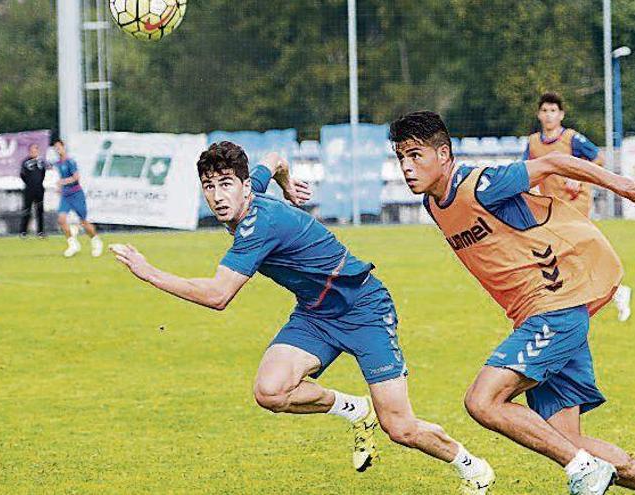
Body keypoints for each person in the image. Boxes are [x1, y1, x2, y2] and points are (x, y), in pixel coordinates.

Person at [110, 142, 495, 494]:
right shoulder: (254, 189)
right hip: (315, 313)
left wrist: (150, 272)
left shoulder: (259, 225)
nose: (218, 196)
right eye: (209, 186)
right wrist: (288, 184)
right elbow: (274, 157)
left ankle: (472, 466)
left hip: (364, 309)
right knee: (271, 391)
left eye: (226, 184)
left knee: (401, 427)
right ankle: (354, 409)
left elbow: (218, 295)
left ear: (244, 187)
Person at [391, 111, 635, 495]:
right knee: (565, 439)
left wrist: (626, 187)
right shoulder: (433, 205)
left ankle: (583, 468)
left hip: (554, 312)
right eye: (400, 157)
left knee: (482, 401)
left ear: (443, 154)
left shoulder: (482, 184)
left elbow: (554, 162)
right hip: (539, 318)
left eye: (415, 155)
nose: (406, 167)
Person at [523, 92, 632, 321]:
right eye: (545, 110)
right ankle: (611, 292)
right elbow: (526, 169)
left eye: (553, 110)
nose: (549, 115)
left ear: (561, 115)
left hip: (575, 202)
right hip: (551, 206)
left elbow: (598, 158)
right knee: (569, 255)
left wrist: (579, 176)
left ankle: (602, 293)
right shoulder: (533, 142)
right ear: (539, 114)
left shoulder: (571, 138)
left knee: (568, 251)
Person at [53, 139, 102, 257]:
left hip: (76, 194)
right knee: (61, 219)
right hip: (66, 196)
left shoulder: (70, 162)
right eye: (55, 148)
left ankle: (96, 240)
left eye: (59, 147)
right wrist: (59, 188)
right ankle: (73, 244)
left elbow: (76, 177)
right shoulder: (57, 164)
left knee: (84, 222)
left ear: (64, 147)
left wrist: (62, 182)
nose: (57, 150)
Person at [19, 143, 47, 237]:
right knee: (27, 210)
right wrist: (29, 183)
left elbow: (43, 173)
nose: (34, 152)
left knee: (39, 210)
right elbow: (22, 175)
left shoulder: (41, 162)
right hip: (28, 190)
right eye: (32, 150)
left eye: (36, 150)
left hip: (39, 189)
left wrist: (38, 183)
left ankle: (40, 232)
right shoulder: (25, 162)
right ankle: (23, 231)